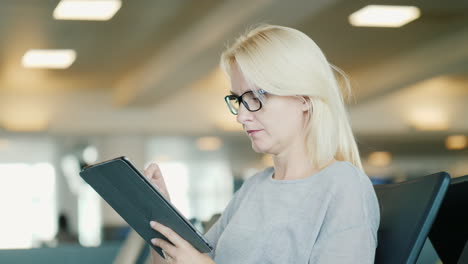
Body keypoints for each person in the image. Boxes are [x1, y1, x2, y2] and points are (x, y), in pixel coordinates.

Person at [144, 24, 380, 264]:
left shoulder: (344, 186)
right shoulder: (252, 188)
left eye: (257, 97)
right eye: (238, 100)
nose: (241, 116)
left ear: (304, 99)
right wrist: (159, 213)